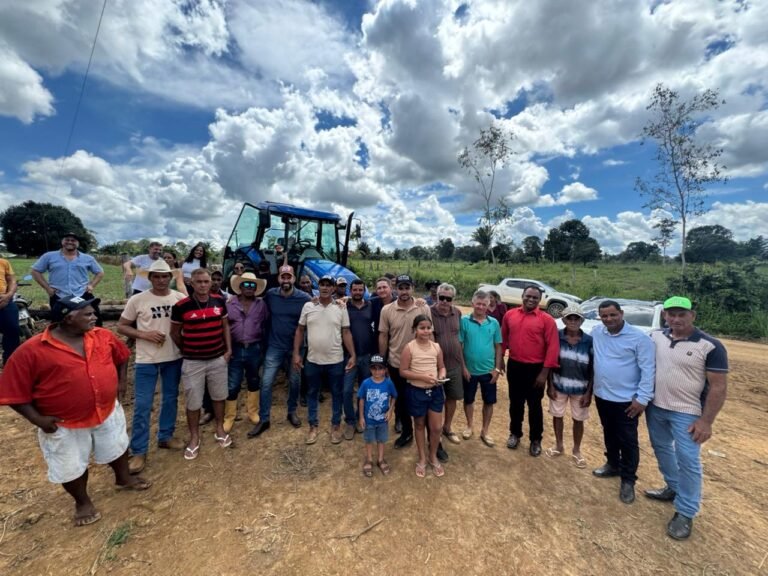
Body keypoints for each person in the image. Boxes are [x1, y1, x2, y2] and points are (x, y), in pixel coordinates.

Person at [0, 295, 150, 527]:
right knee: (70, 464)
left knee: (117, 445)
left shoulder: (102, 336)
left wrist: (121, 382)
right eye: (88, 314)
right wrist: (38, 419)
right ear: (68, 318)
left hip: (106, 410)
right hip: (64, 422)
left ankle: (124, 478)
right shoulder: (31, 351)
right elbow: (12, 392)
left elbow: (122, 356)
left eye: (93, 313)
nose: (95, 317)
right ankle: (82, 502)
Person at [645, 296, 728, 540]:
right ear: (665, 316)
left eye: (682, 314)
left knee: (688, 459)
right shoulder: (655, 336)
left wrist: (706, 421)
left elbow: (718, 387)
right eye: (671, 314)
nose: (676, 319)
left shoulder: (710, 345)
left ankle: (686, 511)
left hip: (688, 412)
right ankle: (674, 487)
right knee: (661, 449)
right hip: (656, 407)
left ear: (692, 315)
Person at [117, 260, 187, 474]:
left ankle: (165, 436)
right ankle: (139, 450)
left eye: (164, 276)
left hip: (173, 356)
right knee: (143, 405)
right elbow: (122, 325)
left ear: (170, 278)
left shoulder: (179, 298)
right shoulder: (138, 300)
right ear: (150, 278)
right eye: (156, 276)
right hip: (146, 358)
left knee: (170, 398)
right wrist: (143, 334)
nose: (160, 280)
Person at [591, 299, 655, 505]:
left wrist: (642, 399)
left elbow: (648, 370)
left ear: (621, 313)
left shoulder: (639, 338)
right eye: (604, 316)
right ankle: (612, 464)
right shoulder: (597, 333)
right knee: (609, 432)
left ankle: (628, 480)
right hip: (602, 396)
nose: (608, 319)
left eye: (612, 315)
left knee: (628, 440)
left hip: (627, 400)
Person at [170, 268, 232, 460]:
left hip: (217, 358)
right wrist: (187, 349)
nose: (203, 285)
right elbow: (174, 333)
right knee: (193, 400)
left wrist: (228, 351)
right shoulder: (181, 306)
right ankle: (194, 436)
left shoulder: (219, 301)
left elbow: (225, 327)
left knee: (219, 396)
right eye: (199, 282)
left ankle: (220, 429)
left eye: (206, 281)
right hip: (193, 361)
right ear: (192, 284)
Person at [248, 265, 310, 437]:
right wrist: (232, 299)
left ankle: (291, 412)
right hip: (275, 346)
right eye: (283, 277)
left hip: (296, 348)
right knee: (266, 382)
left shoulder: (304, 298)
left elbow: (318, 305)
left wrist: (343, 301)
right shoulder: (271, 295)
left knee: (295, 381)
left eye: (289, 277)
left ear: (294, 279)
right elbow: (255, 302)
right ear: (278, 279)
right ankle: (264, 419)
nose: (286, 280)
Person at [293, 275, 356, 444]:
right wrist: (296, 353)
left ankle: (335, 426)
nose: (325, 288)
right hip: (313, 360)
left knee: (337, 394)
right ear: (318, 286)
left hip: (336, 360)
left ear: (334, 288)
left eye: (329, 285)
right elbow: (300, 330)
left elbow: (346, 332)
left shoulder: (341, 307)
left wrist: (353, 355)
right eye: (322, 284)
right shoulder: (309, 305)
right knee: (312, 393)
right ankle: (313, 426)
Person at [501, 285, 560, 456]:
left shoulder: (547, 320)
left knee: (535, 406)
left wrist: (544, 373)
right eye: (528, 296)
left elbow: (552, 348)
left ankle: (535, 439)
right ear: (522, 296)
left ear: (539, 299)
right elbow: (503, 339)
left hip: (536, 369)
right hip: (515, 365)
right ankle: (515, 433)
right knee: (515, 403)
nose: (531, 299)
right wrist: (501, 361)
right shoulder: (510, 315)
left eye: (535, 297)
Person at [378, 274, 432, 450]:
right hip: (395, 362)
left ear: (412, 288)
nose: (404, 291)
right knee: (400, 399)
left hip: (420, 364)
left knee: (423, 400)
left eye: (407, 287)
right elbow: (383, 335)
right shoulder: (387, 310)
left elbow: (431, 335)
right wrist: (382, 361)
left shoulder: (423, 308)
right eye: (400, 287)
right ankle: (407, 431)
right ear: (395, 289)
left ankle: (431, 438)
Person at [545, 304, 593, 468]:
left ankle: (577, 449)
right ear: (564, 319)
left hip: (580, 387)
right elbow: (550, 362)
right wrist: (550, 385)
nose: (573, 321)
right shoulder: (556, 337)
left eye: (576, 318)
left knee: (578, 419)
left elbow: (593, 368)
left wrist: (589, 392)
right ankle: (559, 445)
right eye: (569, 318)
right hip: (559, 384)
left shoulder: (589, 341)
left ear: (581, 320)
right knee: (557, 415)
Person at [399, 315, 446, 478]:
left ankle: (433, 455)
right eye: (422, 328)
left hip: (435, 392)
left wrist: (441, 376)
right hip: (416, 391)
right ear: (415, 330)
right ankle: (422, 458)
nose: (425, 331)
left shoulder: (436, 347)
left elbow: (441, 367)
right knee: (419, 424)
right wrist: (423, 378)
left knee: (436, 427)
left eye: (428, 328)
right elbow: (403, 371)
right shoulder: (409, 347)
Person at [224, 272, 268, 433]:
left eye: (252, 285)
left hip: (254, 348)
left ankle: (253, 412)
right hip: (235, 348)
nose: (249, 288)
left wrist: (263, 347)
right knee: (233, 384)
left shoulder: (261, 305)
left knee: (254, 380)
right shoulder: (229, 303)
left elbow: (264, 325)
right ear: (240, 287)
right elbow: (225, 327)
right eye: (246, 285)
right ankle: (229, 416)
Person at [460, 290, 504, 447]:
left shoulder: (494, 323)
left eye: (483, 304)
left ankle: (485, 430)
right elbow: (459, 345)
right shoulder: (464, 321)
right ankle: (469, 426)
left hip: (488, 371)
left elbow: (498, 346)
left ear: (488, 305)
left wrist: (497, 369)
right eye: (477, 303)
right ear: (472, 303)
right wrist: (463, 367)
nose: (480, 307)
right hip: (469, 370)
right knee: (469, 399)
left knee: (489, 401)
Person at [31, 232, 104, 325]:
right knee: (58, 323)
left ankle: (95, 339)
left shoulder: (87, 258)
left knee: (94, 321)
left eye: (73, 240)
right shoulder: (49, 256)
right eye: (67, 240)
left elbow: (100, 272)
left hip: (82, 293)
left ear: (78, 243)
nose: (70, 242)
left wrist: (91, 285)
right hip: (59, 295)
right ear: (62, 242)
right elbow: (35, 271)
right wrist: (47, 288)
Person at [430, 283, 465, 445]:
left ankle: (447, 427)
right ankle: (434, 430)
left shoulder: (457, 313)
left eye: (448, 298)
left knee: (452, 398)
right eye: (441, 297)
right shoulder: (429, 312)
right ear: (436, 296)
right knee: (435, 398)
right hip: (435, 365)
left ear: (453, 299)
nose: (444, 301)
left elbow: (459, 337)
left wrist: (463, 366)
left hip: (454, 364)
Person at [343, 278, 375, 440]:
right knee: (347, 390)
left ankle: (359, 418)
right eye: (354, 290)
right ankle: (349, 421)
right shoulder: (343, 306)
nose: (357, 292)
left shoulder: (370, 305)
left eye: (360, 290)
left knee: (364, 390)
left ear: (364, 291)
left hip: (367, 355)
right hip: (349, 356)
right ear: (350, 291)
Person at [357, 354, 397, 477]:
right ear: (370, 369)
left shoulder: (388, 383)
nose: (377, 371)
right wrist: (361, 417)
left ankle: (380, 459)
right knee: (369, 440)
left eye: (380, 368)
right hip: (369, 419)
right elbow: (361, 399)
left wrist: (390, 411)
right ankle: (369, 459)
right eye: (374, 368)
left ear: (385, 369)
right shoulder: (366, 383)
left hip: (382, 420)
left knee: (381, 439)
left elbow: (394, 396)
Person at [0, 257, 20, 364]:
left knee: (13, 329)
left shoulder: (3, 262)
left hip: (4, 299)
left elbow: (12, 280)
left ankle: (10, 362)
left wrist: (8, 295)